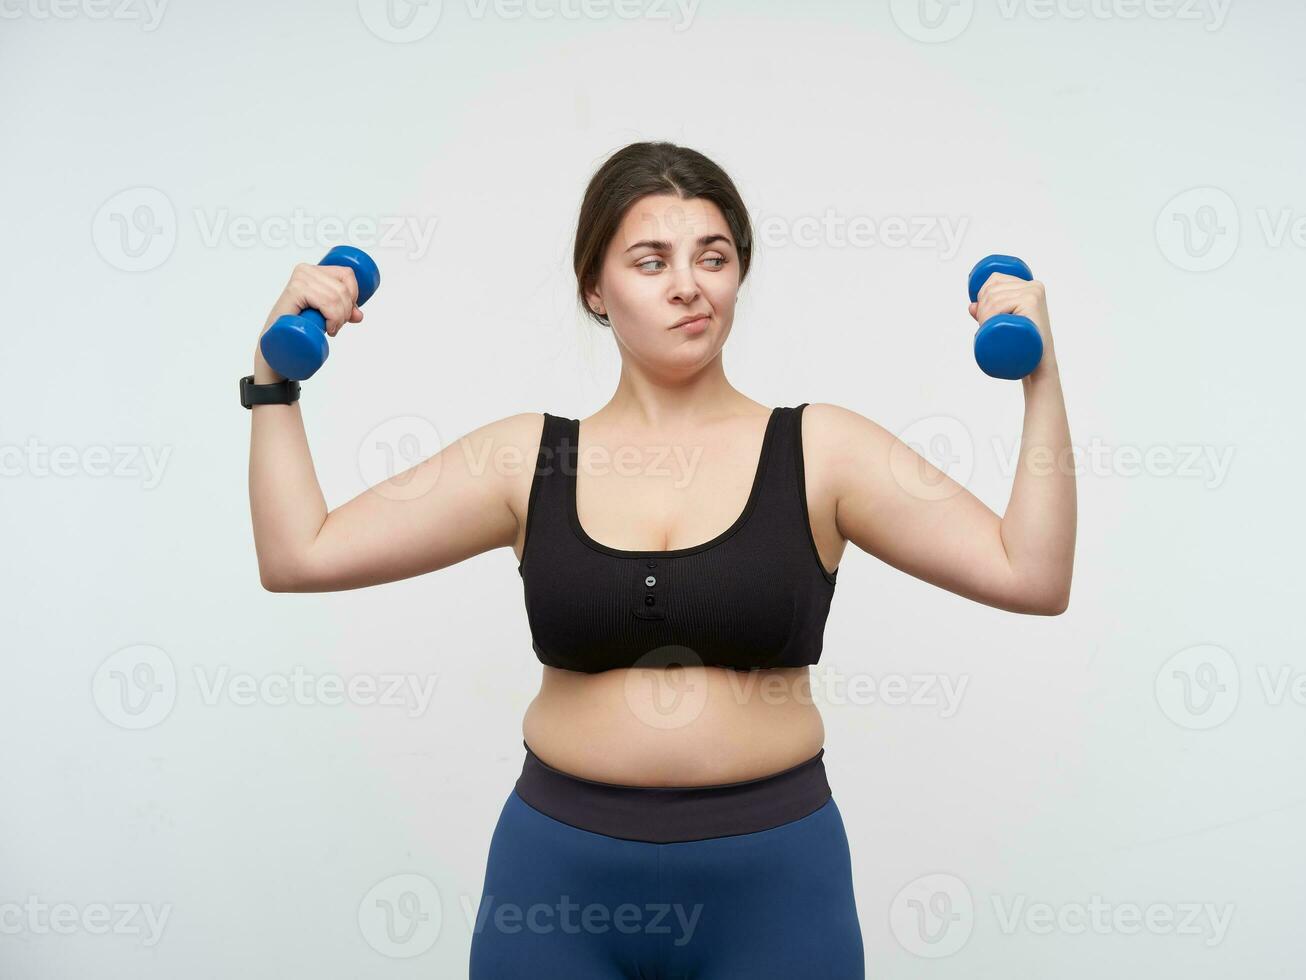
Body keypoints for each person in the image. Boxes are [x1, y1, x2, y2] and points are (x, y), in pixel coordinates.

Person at [244, 141, 1076, 978]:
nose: (689, 284)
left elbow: (1030, 574)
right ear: (596, 290)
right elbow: (299, 554)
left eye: (713, 257)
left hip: (776, 886)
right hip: (557, 887)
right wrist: (272, 383)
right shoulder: (528, 459)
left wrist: (1042, 374)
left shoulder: (822, 449)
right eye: (652, 261)